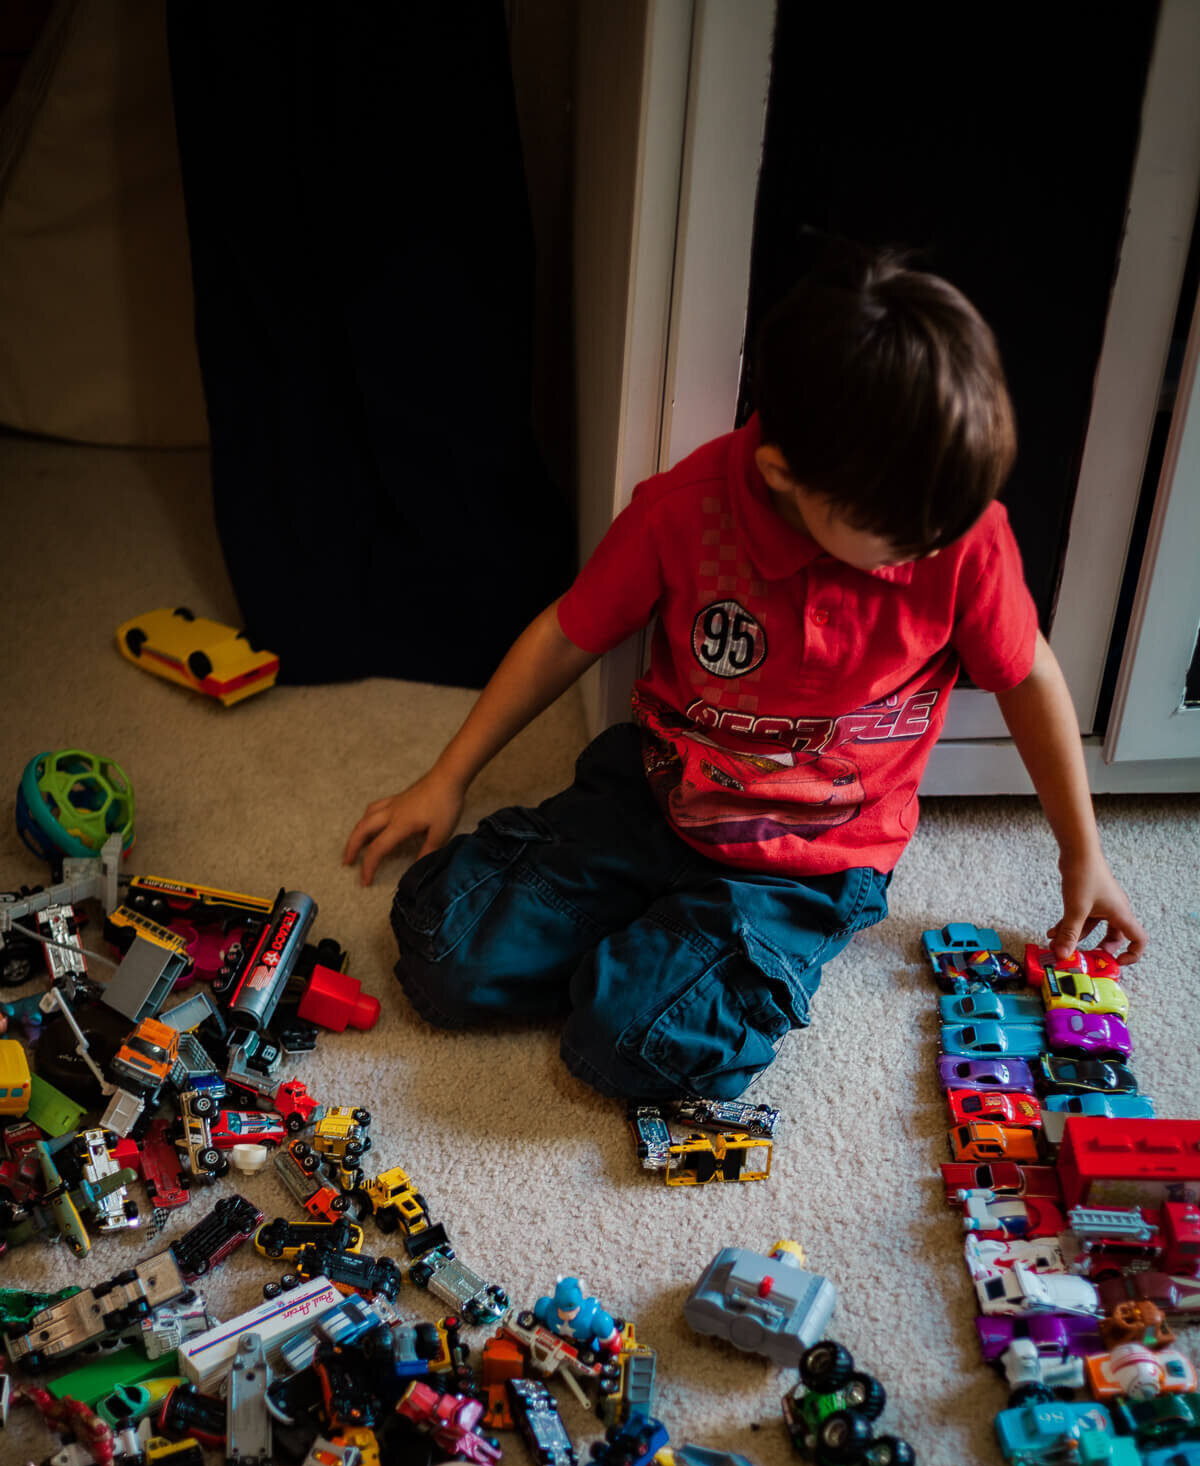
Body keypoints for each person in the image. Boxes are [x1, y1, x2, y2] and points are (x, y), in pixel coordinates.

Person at [343, 245, 1146, 1102]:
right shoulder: (683, 512)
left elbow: (1028, 677)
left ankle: (652, 959)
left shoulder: (960, 533)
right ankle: (644, 944)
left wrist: (1081, 850)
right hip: (654, 796)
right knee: (439, 955)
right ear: (782, 478)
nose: (939, 545)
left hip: (811, 859)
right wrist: (447, 776)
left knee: (633, 1046)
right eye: (908, 538)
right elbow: (565, 634)